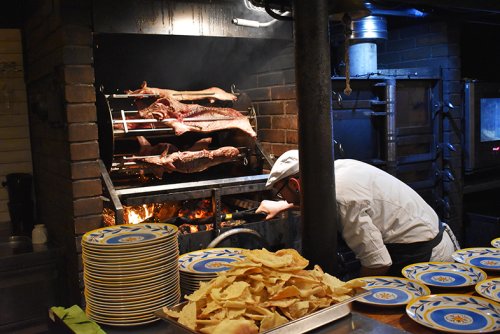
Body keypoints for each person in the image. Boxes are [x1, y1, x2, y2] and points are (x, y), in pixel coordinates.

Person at [256, 150, 460, 277]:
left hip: (425, 259)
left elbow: (377, 263)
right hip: (427, 239)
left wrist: (348, 295)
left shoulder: (341, 198)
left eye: (280, 191)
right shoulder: (335, 170)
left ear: (294, 183)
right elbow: (318, 199)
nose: (280, 196)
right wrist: (284, 205)